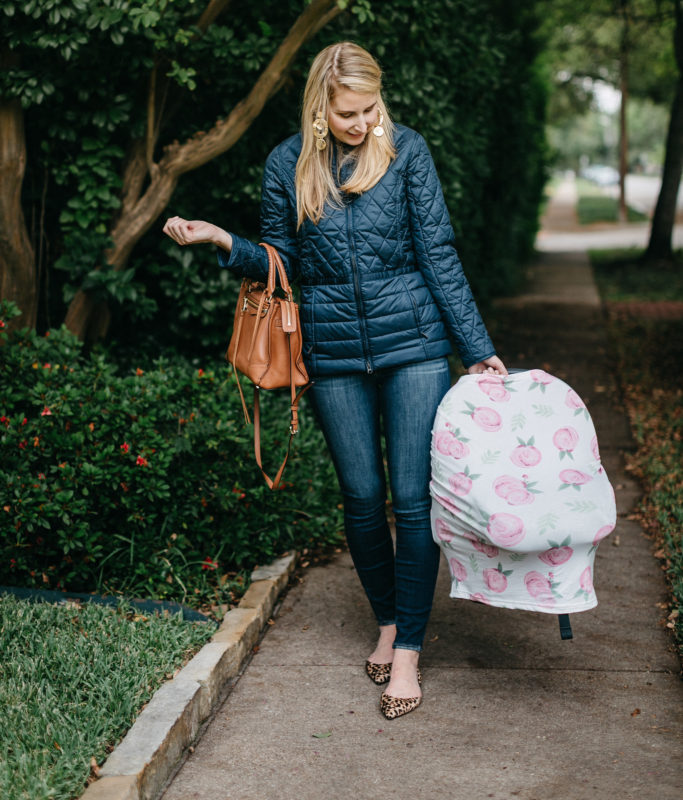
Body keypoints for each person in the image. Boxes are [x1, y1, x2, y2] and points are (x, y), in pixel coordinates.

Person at [163, 41, 506, 720]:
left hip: (413, 348)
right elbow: (279, 259)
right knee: (360, 495)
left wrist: (476, 349)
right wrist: (223, 243)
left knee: (411, 500)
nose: (361, 122)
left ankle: (407, 647)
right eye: (348, 112)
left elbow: (437, 253)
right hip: (330, 351)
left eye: (369, 108)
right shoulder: (286, 164)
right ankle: (386, 618)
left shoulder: (406, 150)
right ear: (321, 105)